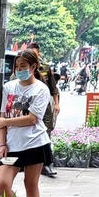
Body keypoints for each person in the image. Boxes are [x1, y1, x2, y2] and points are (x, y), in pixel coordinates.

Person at [0, 49, 51, 197]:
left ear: (33, 67)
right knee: (2, 184)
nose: (19, 71)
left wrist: (6, 123)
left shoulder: (41, 90)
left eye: (23, 67)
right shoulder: (8, 87)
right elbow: (2, 116)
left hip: (35, 143)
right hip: (12, 146)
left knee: (30, 184)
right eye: (17, 67)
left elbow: (32, 118)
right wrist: (2, 143)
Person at [26, 42, 60, 178]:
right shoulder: (23, 67)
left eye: (35, 53)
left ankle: (46, 163)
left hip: (45, 105)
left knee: (47, 130)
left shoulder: (45, 67)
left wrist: (56, 104)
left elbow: (53, 87)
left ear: (38, 53)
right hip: (28, 105)